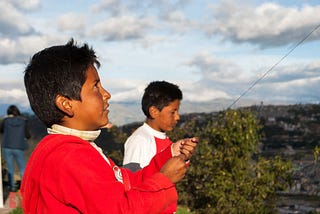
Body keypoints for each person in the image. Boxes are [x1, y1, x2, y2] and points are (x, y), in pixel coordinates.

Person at [21, 39, 198, 213]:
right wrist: (164, 181)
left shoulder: (67, 149)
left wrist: (167, 157)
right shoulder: (70, 157)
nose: (107, 94)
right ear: (66, 104)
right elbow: (122, 209)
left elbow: (125, 184)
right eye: (96, 87)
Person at [123, 80, 185, 213]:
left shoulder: (166, 140)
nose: (178, 117)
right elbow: (133, 185)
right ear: (154, 111)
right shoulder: (139, 140)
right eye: (173, 112)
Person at [0, 105, 31, 192]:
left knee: (10, 168)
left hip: (7, 146)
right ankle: (24, 188)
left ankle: (12, 187)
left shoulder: (5, 121)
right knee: (22, 168)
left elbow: (1, 130)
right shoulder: (23, 121)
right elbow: (27, 135)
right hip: (19, 147)